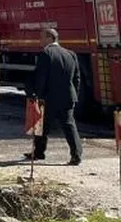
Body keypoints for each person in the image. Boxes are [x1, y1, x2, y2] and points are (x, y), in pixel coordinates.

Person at [27, 28, 84, 165]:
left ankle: (39, 152)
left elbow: (41, 78)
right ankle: (76, 154)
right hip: (68, 96)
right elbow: (77, 78)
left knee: (41, 126)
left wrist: (37, 95)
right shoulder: (71, 54)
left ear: (50, 38)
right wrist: (74, 94)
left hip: (49, 97)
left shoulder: (46, 54)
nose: (40, 41)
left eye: (42, 38)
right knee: (69, 125)